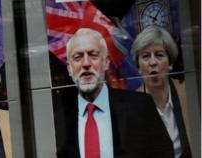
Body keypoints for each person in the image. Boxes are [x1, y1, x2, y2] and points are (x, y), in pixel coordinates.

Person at [53, 28, 174, 158]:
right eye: (78, 57)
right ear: (69, 69)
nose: (86, 63)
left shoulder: (139, 106)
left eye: (93, 55)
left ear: (106, 63)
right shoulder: (60, 120)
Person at [131, 26, 192, 158]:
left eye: (159, 55)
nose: (153, 62)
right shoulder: (131, 106)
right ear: (138, 67)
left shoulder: (188, 92)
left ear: (170, 63)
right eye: (146, 56)